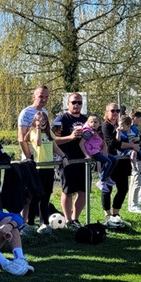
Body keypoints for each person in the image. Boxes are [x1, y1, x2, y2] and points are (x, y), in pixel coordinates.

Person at [25, 109, 66, 233]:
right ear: (35, 121)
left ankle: (45, 223)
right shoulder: (33, 132)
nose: (42, 122)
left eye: (44, 120)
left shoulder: (49, 133)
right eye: (39, 120)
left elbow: (55, 147)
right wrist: (37, 129)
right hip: (39, 169)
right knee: (36, 197)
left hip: (49, 168)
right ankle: (31, 223)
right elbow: (37, 144)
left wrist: (64, 157)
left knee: (46, 197)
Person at [52, 92, 88, 228]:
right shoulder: (61, 119)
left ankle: (75, 218)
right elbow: (53, 141)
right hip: (66, 160)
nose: (77, 105)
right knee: (68, 191)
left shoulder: (86, 120)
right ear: (68, 104)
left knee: (83, 191)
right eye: (74, 102)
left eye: (79, 102)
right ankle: (68, 220)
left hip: (83, 160)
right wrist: (71, 137)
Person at [101, 103, 137, 228]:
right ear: (106, 112)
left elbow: (126, 140)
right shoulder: (105, 126)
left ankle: (116, 215)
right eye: (112, 110)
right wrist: (131, 146)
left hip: (122, 162)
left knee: (123, 189)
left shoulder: (120, 125)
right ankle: (107, 216)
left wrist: (132, 143)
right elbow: (112, 144)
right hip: (110, 162)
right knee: (107, 189)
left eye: (117, 110)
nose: (115, 112)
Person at [79, 115, 117, 193]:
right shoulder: (88, 132)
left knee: (114, 159)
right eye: (91, 122)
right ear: (88, 123)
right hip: (92, 151)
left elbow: (103, 142)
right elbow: (81, 144)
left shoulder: (98, 131)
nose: (93, 124)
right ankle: (101, 180)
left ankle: (106, 177)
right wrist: (86, 154)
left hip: (98, 150)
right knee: (108, 162)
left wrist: (104, 149)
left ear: (99, 123)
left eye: (95, 122)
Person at [17, 85, 50, 162]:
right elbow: (21, 138)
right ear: (33, 97)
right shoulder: (25, 113)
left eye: (46, 97)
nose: (44, 99)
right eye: (41, 97)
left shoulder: (45, 112)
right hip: (31, 156)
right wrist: (28, 156)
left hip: (43, 155)